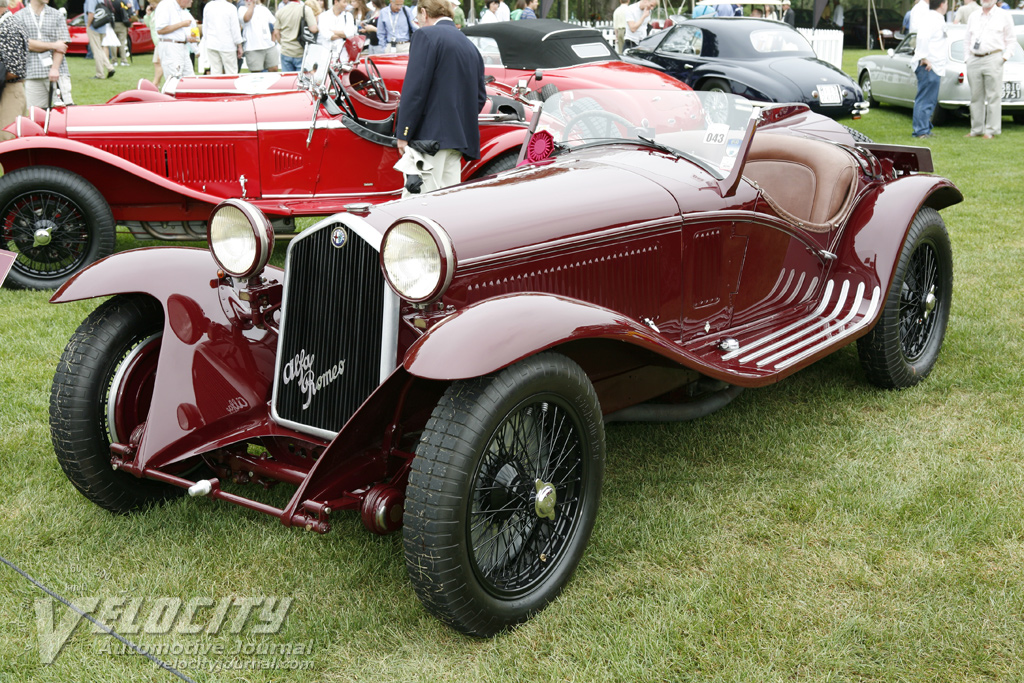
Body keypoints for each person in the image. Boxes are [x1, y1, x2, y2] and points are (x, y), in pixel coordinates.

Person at [395, 0, 485, 196]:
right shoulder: (469, 45)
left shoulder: (425, 35)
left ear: (424, 13)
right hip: (458, 139)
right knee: (447, 205)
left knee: (419, 204)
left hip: (428, 139)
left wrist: (403, 133)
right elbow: (479, 98)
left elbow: (415, 90)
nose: (418, 22)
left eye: (417, 17)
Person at [964, 0, 1014, 137]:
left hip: (993, 57)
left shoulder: (1004, 15)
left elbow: (1011, 40)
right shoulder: (973, 15)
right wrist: (967, 58)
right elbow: (967, 39)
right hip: (974, 58)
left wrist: (1003, 58)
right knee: (975, 96)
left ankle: (992, 130)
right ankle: (976, 129)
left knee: (993, 96)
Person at [18, 0, 71, 108]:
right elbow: (25, 44)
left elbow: (62, 45)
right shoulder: (19, 16)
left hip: (57, 73)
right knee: (36, 115)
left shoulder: (57, 15)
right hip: (32, 72)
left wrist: (55, 68)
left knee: (64, 111)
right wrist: (53, 45)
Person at [911, 0, 947, 138]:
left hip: (935, 65)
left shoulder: (936, 18)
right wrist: (924, 57)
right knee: (924, 99)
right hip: (928, 65)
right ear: (943, 4)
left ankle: (925, 127)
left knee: (930, 99)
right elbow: (923, 37)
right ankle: (920, 130)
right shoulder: (931, 18)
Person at [0, 0, 28, 140]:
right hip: (5, 88)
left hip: (10, 91)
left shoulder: (9, 27)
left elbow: (14, 69)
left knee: (5, 138)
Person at [155, 0, 196, 80]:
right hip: (170, 46)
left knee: (190, 78)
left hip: (183, 47)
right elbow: (161, 30)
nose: (191, 1)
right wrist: (182, 24)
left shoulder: (181, 10)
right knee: (174, 78)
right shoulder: (166, 5)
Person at [273, 0, 317, 71]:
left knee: (288, 80)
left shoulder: (280, 11)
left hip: (286, 51)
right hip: (301, 51)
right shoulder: (306, 9)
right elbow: (313, 29)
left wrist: (282, 43)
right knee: (301, 80)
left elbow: (276, 33)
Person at [203, 0, 242, 74]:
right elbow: (235, 29)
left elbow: (205, 27)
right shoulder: (231, 8)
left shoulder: (208, 6)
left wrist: (207, 39)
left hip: (212, 43)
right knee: (231, 71)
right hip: (227, 45)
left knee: (215, 71)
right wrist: (239, 45)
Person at [240, 0, 278, 71]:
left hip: (269, 46)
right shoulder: (242, 9)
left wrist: (273, 41)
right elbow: (246, 18)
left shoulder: (263, 9)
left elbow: (275, 23)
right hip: (252, 48)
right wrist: (252, 4)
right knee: (256, 73)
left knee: (274, 69)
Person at [84, 0, 116, 78]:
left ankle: (100, 74)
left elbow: (91, 13)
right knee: (100, 49)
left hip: (94, 27)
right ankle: (110, 67)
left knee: (96, 51)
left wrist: (88, 26)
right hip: (102, 27)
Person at [111, 0, 137, 66]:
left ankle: (114, 61)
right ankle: (123, 60)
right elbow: (128, 12)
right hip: (122, 24)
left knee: (113, 44)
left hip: (112, 24)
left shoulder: (110, 3)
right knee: (122, 43)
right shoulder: (122, 3)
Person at [142, 1, 162, 84]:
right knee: (156, 63)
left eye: (153, 4)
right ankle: (156, 83)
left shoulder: (162, 12)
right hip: (157, 42)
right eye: (151, 4)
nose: (152, 6)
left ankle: (155, 83)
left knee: (159, 62)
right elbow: (148, 24)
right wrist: (148, 15)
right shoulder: (153, 13)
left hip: (160, 40)